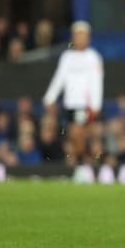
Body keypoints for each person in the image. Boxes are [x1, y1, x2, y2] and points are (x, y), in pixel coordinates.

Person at [42, 21, 103, 163]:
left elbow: (96, 83)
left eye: (83, 35)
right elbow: (59, 78)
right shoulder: (67, 57)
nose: (80, 38)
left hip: (85, 105)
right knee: (73, 137)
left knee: (79, 134)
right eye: (77, 35)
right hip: (69, 104)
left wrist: (96, 106)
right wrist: (49, 98)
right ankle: (81, 162)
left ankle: (82, 162)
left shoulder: (93, 57)